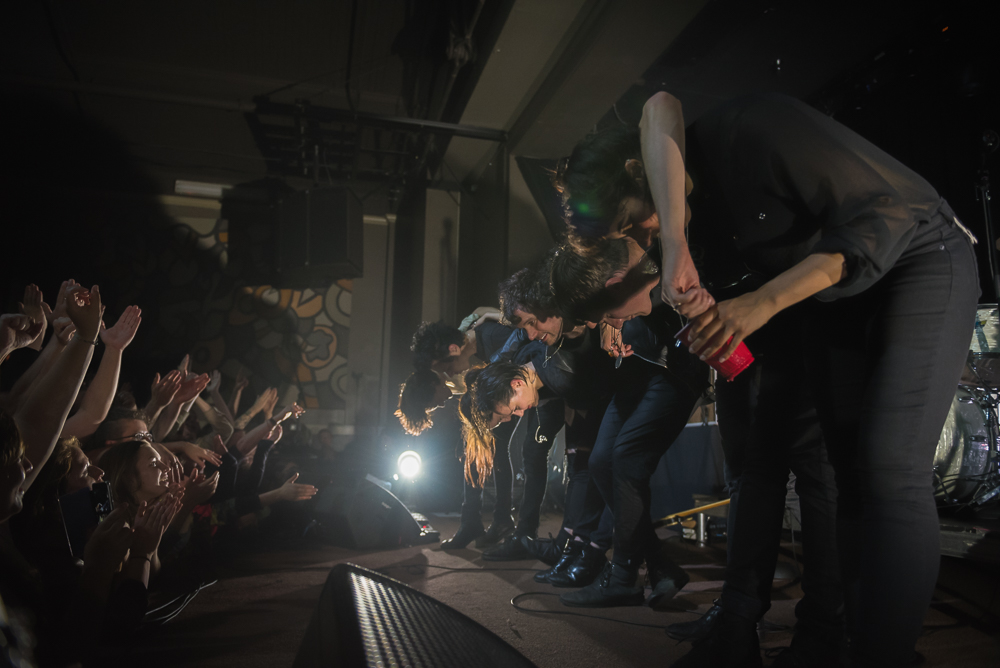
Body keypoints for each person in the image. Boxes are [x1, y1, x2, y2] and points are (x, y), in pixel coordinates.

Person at [559, 90, 979, 667]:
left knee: (888, 468)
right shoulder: (700, 220)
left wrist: (751, 297)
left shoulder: (746, 130)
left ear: (641, 171)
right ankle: (844, 641)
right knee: (845, 476)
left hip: (918, 257)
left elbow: (887, 214)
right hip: (830, 302)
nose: (649, 238)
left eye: (640, 222)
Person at [549, 237, 709, 609]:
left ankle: (623, 575)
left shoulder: (667, 257)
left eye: (606, 314)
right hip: (636, 370)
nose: (606, 322)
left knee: (627, 459)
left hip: (672, 372)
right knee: (602, 460)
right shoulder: (622, 274)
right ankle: (659, 565)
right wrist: (617, 327)